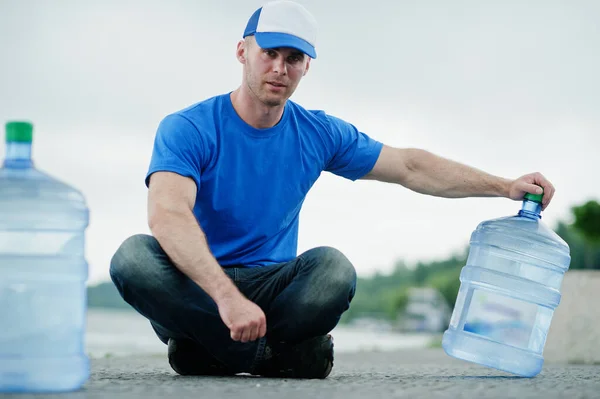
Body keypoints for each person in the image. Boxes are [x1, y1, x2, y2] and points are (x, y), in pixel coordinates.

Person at [109, 0, 555, 380]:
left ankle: (209, 351)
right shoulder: (189, 127)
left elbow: (410, 166)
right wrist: (226, 299)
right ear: (242, 51)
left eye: (294, 58)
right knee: (133, 259)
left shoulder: (316, 133)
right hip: (200, 284)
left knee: (334, 270)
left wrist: (504, 186)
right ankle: (274, 355)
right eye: (269, 54)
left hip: (273, 285)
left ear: (307, 66)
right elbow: (167, 214)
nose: (280, 68)